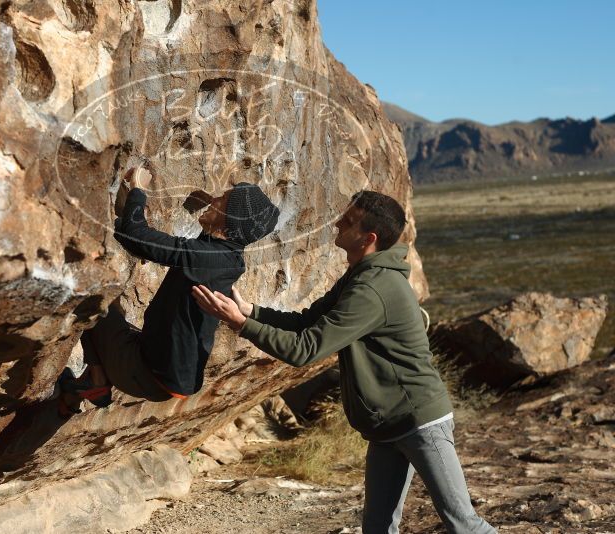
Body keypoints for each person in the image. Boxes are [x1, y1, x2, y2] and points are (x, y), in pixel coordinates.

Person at [192, 190, 496, 534]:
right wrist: (252, 312)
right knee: (378, 528)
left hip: (420, 422)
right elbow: (307, 321)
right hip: (387, 425)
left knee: (464, 524)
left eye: (348, 220)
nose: (338, 221)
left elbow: (305, 349)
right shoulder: (360, 276)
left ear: (369, 238)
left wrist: (241, 325)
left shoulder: (373, 288)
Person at [58, 165, 280, 412]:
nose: (215, 198)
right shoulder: (228, 258)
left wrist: (138, 189)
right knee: (114, 312)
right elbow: (178, 245)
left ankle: (97, 381)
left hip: (143, 373)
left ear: (230, 219)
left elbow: (136, 236)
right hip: (165, 376)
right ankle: (87, 385)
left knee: (92, 294)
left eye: (223, 199)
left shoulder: (206, 258)